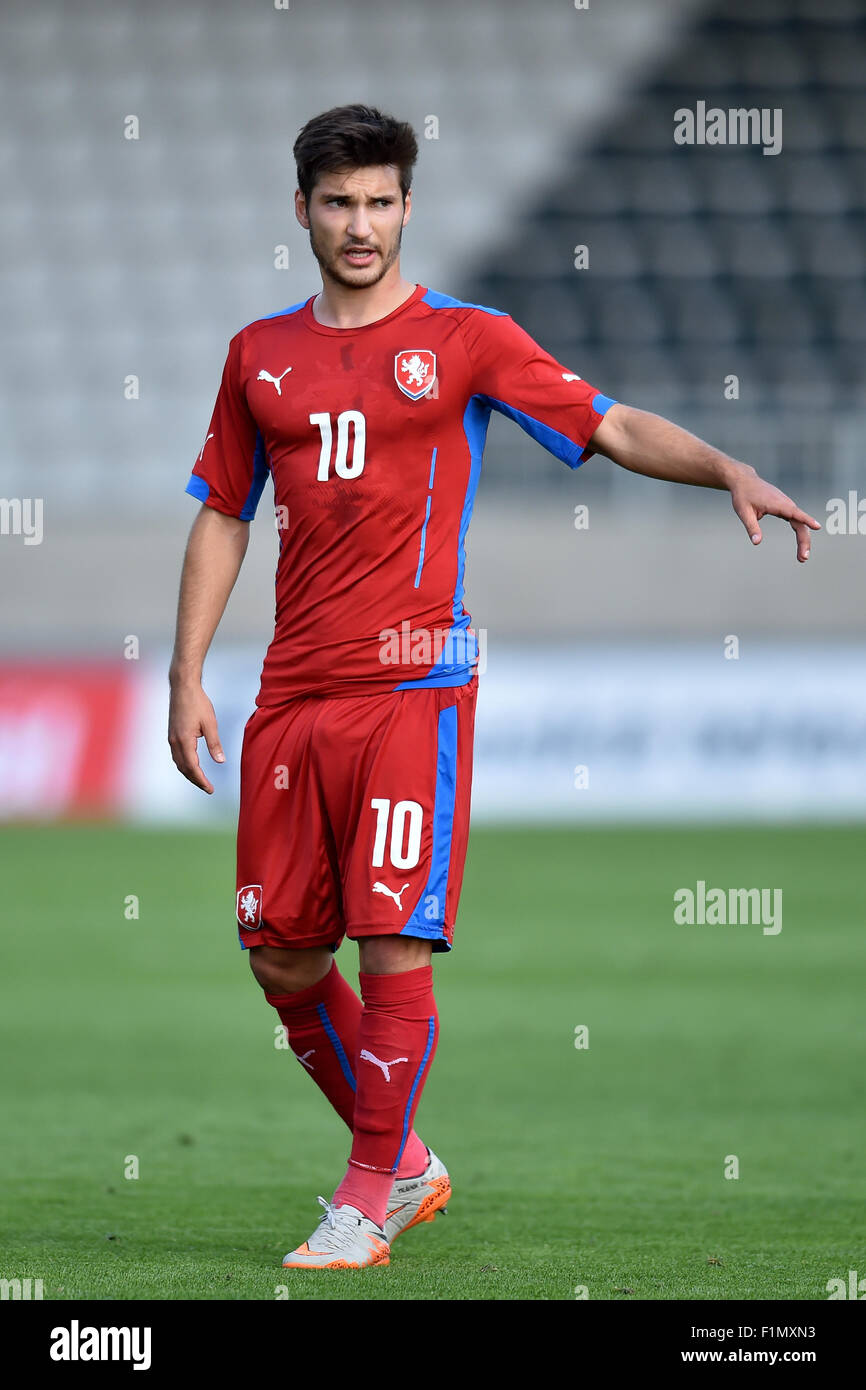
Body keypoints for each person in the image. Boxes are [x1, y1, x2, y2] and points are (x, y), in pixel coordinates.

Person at [168, 103, 819, 1270]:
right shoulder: (256, 355)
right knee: (281, 956)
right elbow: (223, 511)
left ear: (408, 207)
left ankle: (364, 1197)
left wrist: (725, 465)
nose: (359, 225)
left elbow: (607, 422)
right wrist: (184, 673)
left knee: (390, 944)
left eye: (378, 201)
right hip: (290, 696)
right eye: (337, 203)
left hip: (414, 691)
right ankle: (406, 1160)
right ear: (302, 211)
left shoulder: (466, 340)